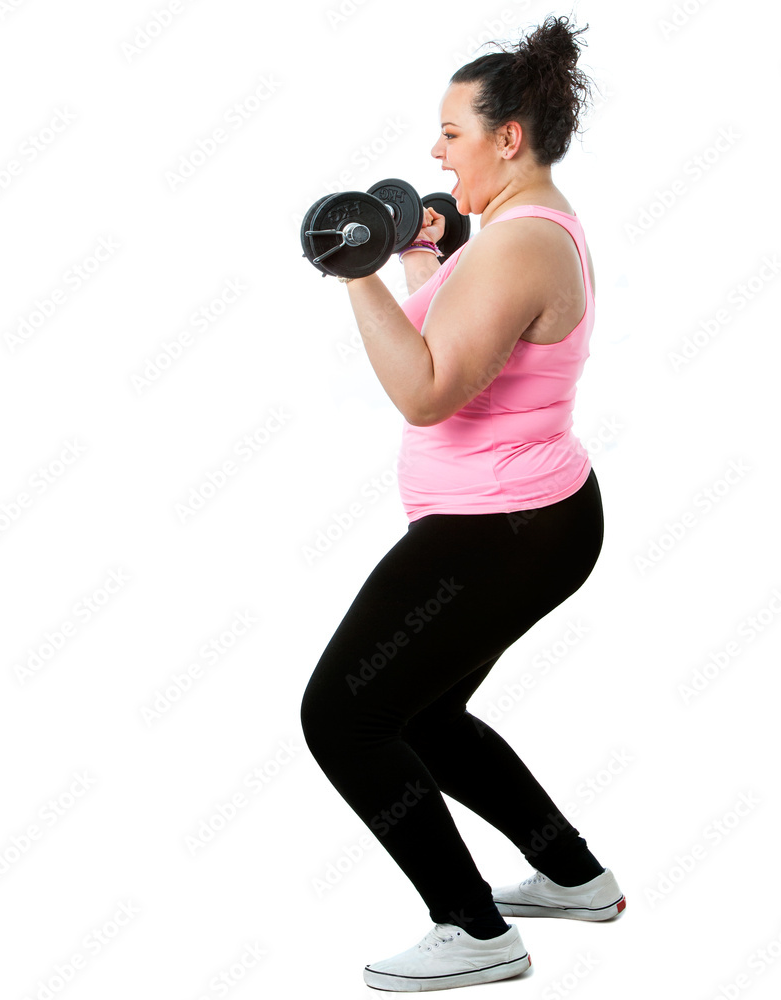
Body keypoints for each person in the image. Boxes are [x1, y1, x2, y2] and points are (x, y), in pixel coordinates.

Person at [299, 14, 625, 993]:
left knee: (344, 718)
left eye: (451, 133)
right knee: (429, 717)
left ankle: (473, 927)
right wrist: (417, 258)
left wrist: (352, 270)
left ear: (507, 138)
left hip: (504, 532)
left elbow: (426, 390)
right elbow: (451, 334)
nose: (435, 153)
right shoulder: (517, 235)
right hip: (519, 521)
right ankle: (573, 877)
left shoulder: (520, 248)